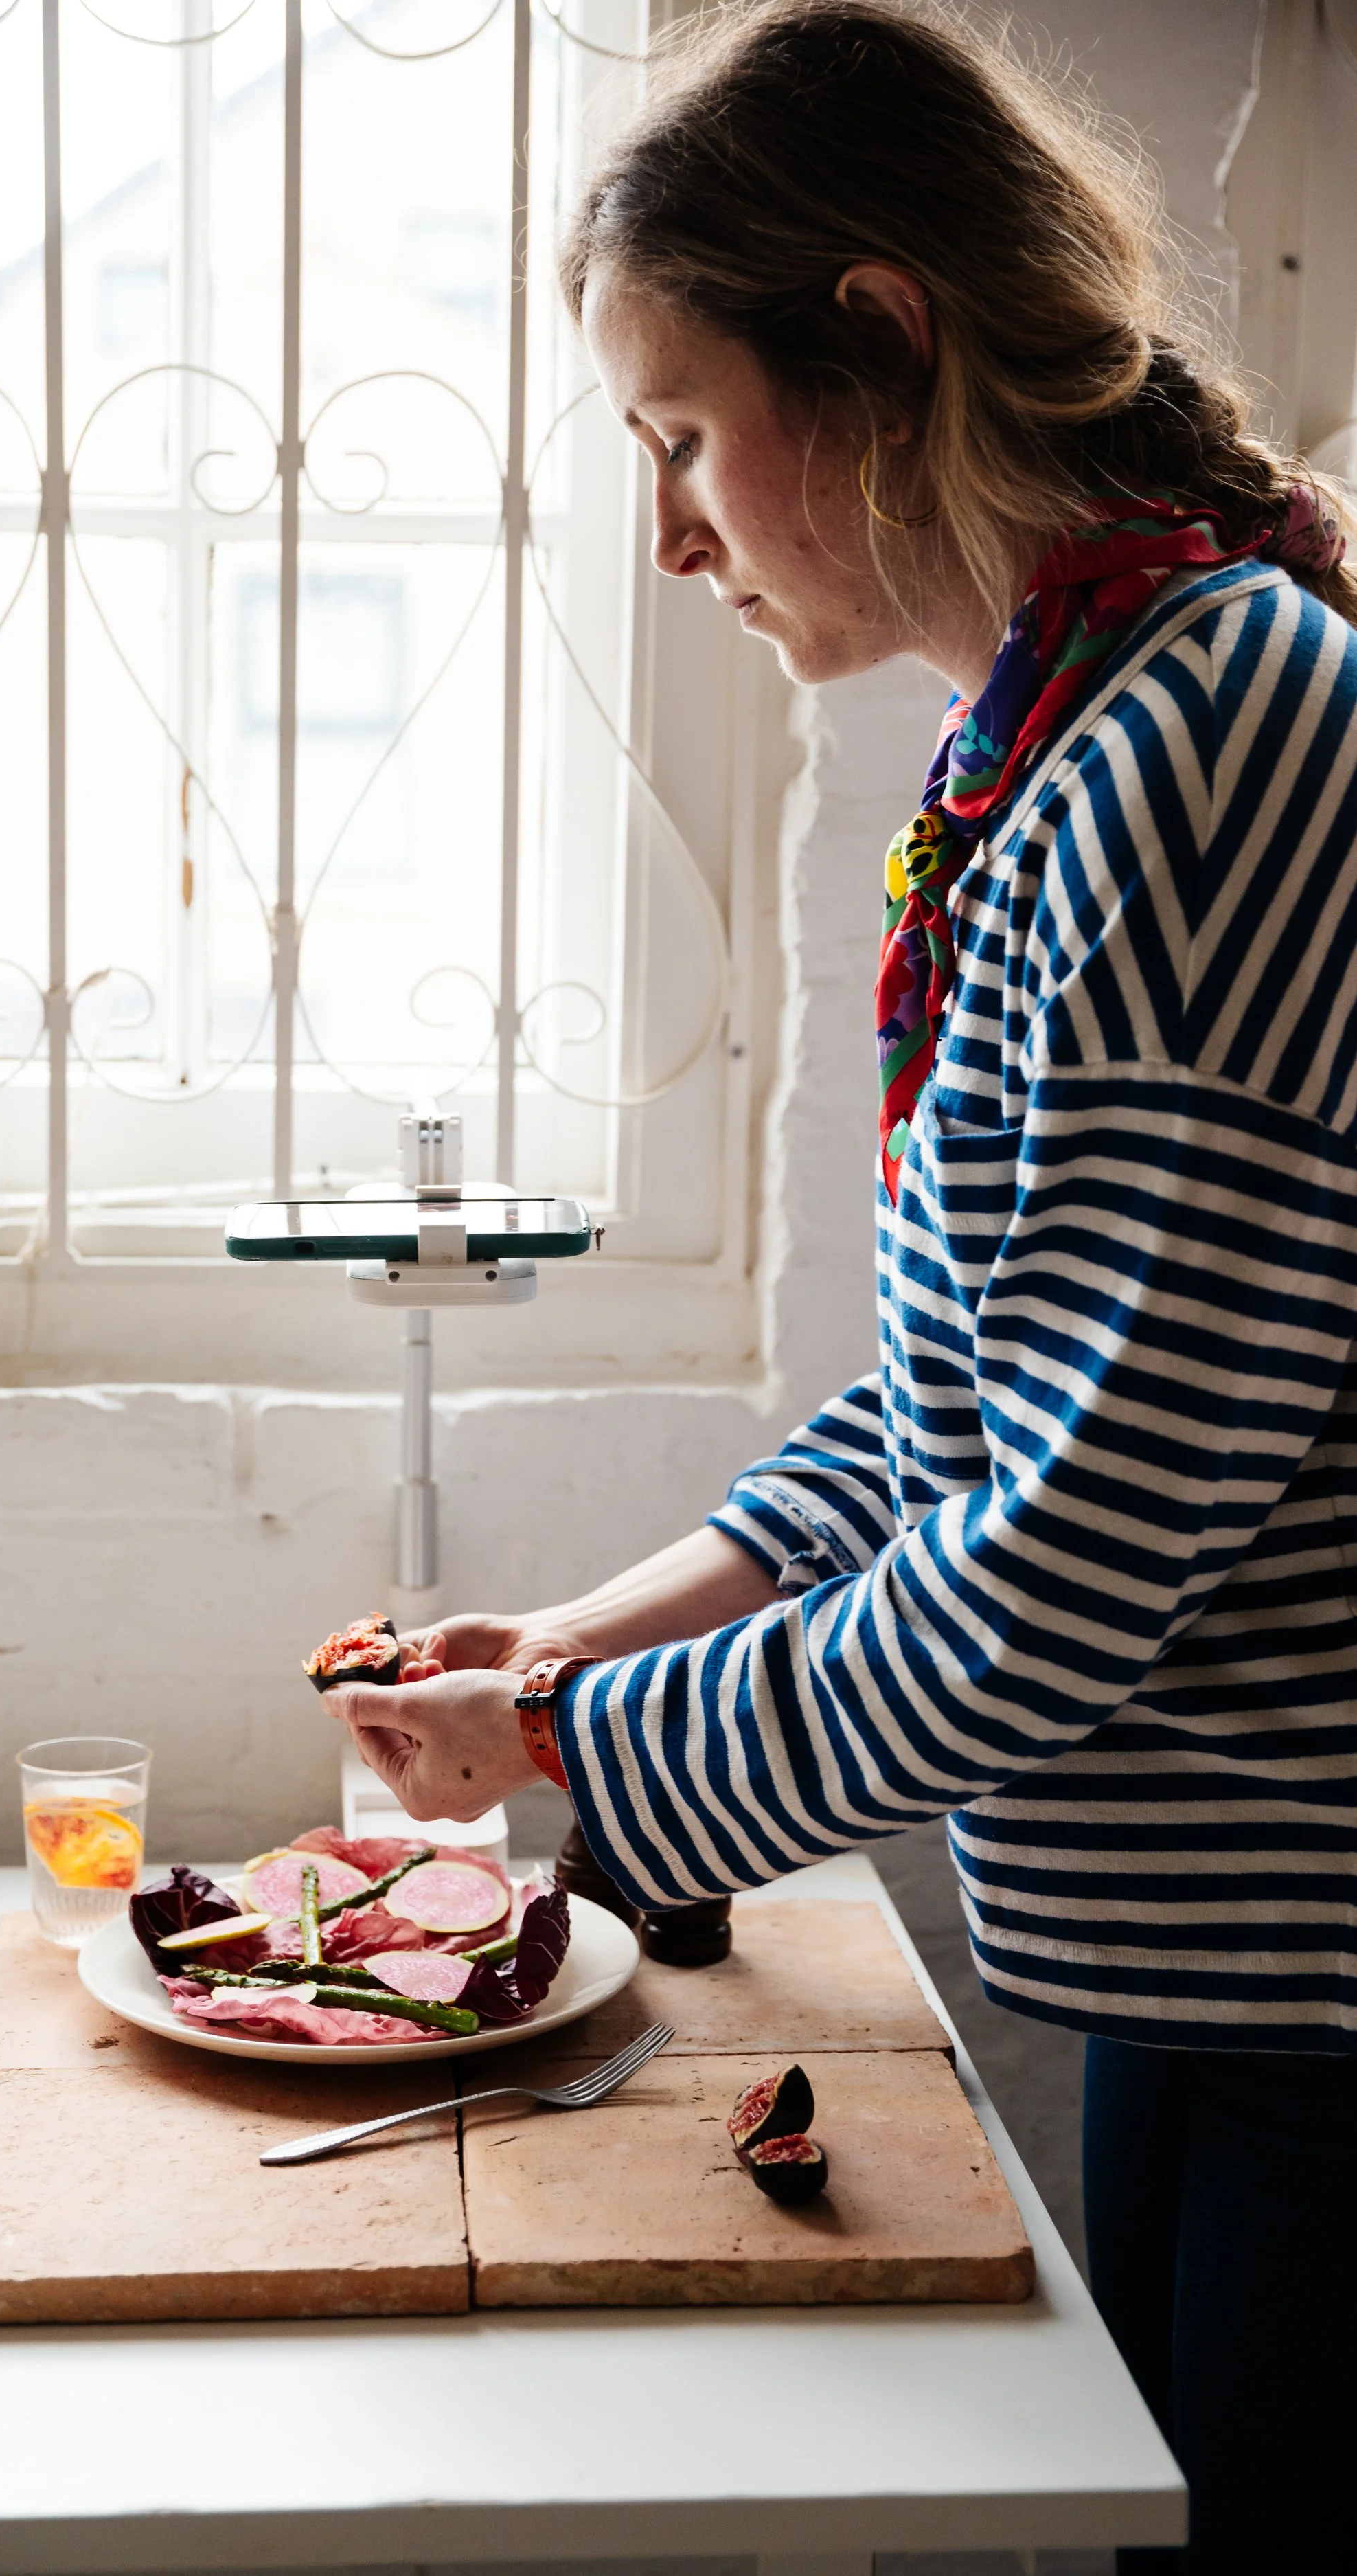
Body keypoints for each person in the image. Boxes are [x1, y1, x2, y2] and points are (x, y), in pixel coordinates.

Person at [325, 7, 1357, 2569]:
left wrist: (574, 1755)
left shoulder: (1201, 759)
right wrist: (575, 1645)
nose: (672, 535)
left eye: (681, 434)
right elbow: (954, 1409)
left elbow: (1065, 1559)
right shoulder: (1083, 732)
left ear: (880, 338)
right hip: (1228, 1966)